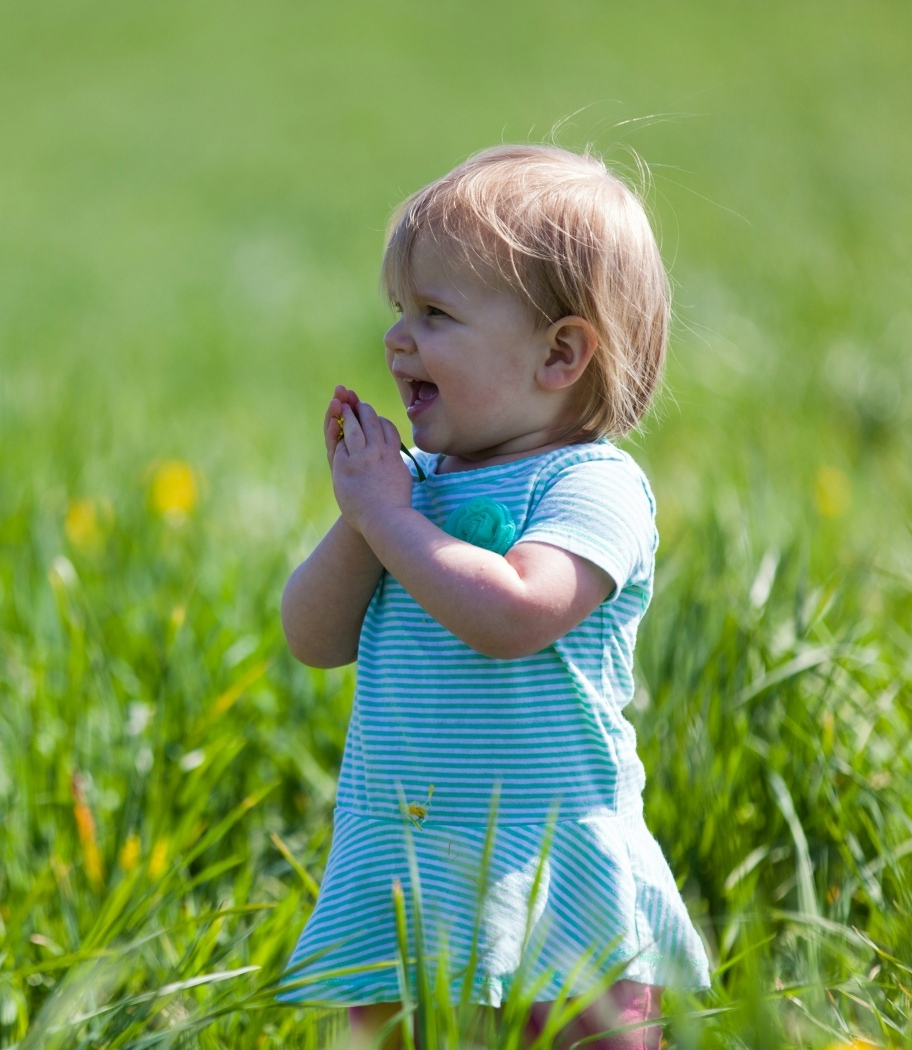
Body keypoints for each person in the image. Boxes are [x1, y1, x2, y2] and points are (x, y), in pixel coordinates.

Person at [277, 145, 711, 1049]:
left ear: (561, 354)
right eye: (399, 311)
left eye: (435, 314)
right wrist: (365, 516)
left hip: (556, 876)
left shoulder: (591, 486)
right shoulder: (411, 492)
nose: (398, 339)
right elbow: (313, 637)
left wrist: (390, 519)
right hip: (409, 872)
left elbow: (516, 614)